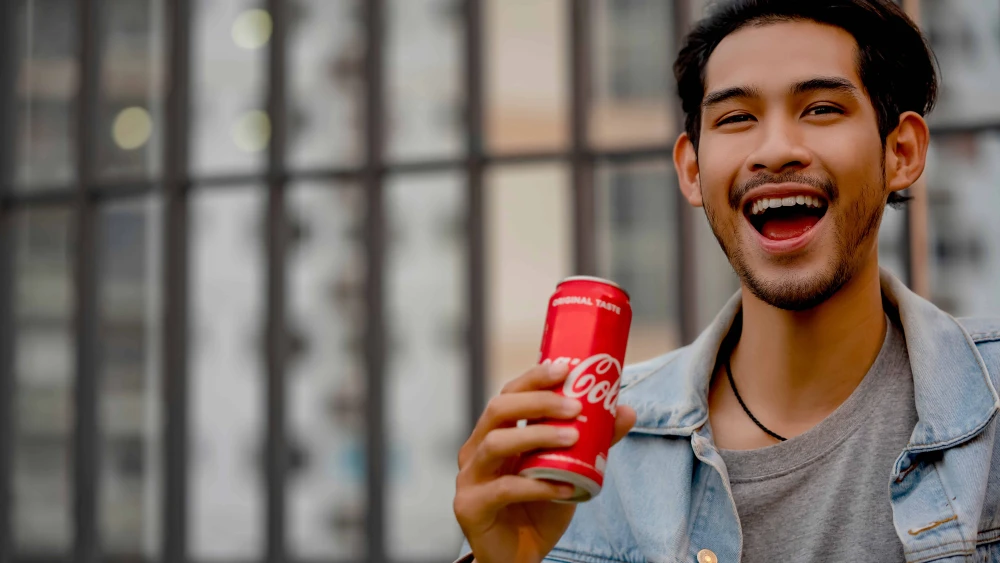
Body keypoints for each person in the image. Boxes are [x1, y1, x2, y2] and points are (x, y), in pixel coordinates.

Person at [452, 0, 1000, 562]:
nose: (775, 150)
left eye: (821, 108)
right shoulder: (597, 457)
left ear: (901, 152)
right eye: (736, 118)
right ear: (692, 171)